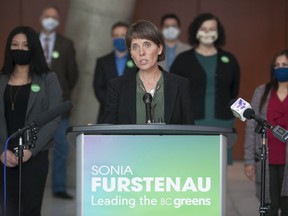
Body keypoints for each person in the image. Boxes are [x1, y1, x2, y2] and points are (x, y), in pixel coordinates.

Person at [0, 26, 62, 216]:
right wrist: (1, 150)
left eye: (25, 45)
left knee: (30, 210)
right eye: (15, 45)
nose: (20, 49)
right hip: (4, 157)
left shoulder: (48, 79)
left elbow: (54, 117)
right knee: (6, 210)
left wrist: (30, 150)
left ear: (34, 47)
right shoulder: (1, 79)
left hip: (34, 157)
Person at [170, 13, 240, 164]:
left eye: (212, 29)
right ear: (196, 31)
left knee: (219, 166)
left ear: (218, 32)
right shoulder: (183, 60)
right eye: (204, 28)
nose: (208, 32)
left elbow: (233, 90)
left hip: (222, 122)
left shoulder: (230, 60)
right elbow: (173, 91)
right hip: (192, 122)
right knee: (194, 164)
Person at [102, 20, 194, 125]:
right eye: (135, 47)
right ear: (131, 53)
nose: (141, 52)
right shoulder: (117, 86)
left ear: (159, 48)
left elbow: (189, 132)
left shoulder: (180, 85)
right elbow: (108, 132)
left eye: (147, 45)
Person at [39, 5, 78, 199]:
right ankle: (31, 185)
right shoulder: (29, 42)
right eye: (47, 16)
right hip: (34, 105)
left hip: (59, 105)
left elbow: (73, 75)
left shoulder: (66, 44)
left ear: (59, 20)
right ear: (41, 18)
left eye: (54, 17)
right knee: (32, 147)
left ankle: (59, 187)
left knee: (61, 148)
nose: (50, 19)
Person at [244, 50, 288, 216]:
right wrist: (249, 159)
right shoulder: (261, 92)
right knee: (269, 206)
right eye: (277, 65)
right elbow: (250, 126)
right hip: (267, 159)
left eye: (284, 65)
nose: (280, 68)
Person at [93, 21, 137, 123]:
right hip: (107, 113)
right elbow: (98, 87)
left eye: (123, 35)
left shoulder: (138, 61)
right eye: (116, 35)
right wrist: (111, 104)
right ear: (112, 38)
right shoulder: (102, 62)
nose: (119, 38)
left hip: (132, 114)